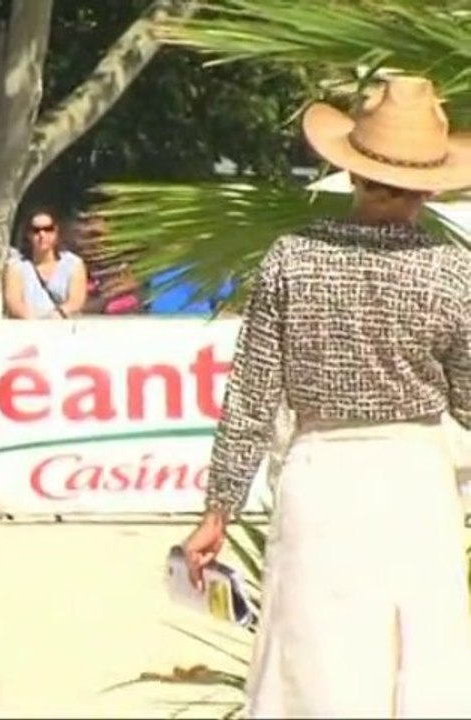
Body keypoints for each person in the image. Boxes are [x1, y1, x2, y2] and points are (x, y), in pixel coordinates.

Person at [181, 75, 471, 717]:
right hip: (413, 480)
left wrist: (217, 511)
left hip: (321, 477)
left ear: (353, 173)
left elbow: (252, 398)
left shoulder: (291, 258)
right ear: (429, 185)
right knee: (417, 662)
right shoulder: (455, 272)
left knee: (316, 661)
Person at [2, 209, 88, 318]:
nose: (42, 235)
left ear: (56, 231)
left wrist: (58, 314)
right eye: (36, 230)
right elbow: (14, 303)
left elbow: (76, 300)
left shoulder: (73, 264)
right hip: (28, 327)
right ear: (28, 234)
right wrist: (33, 321)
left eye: (48, 229)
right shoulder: (15, 266)